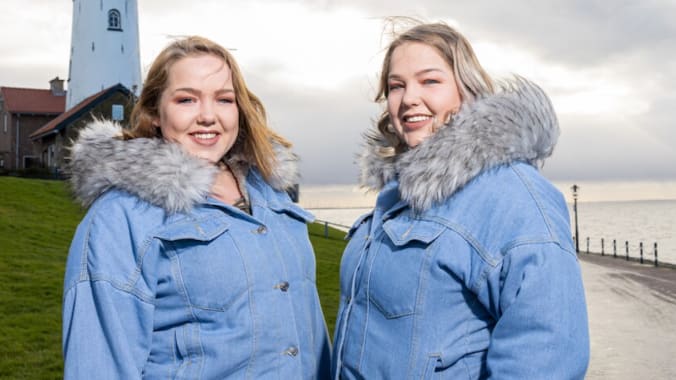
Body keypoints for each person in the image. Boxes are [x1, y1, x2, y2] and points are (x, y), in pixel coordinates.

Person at [332, 21, 589, 379]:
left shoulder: (513, 194)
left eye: (430, 81)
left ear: (466, 92)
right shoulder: (398, 199)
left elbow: (546, 355)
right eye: (396, 86)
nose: (408, 99)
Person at [62, 36, 331, 379]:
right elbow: (98, 367)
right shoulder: (121, 218)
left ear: (240, 110)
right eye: (186, 99)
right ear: (154, 113)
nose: (208, 116)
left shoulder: (271, 194)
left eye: (224, 99)